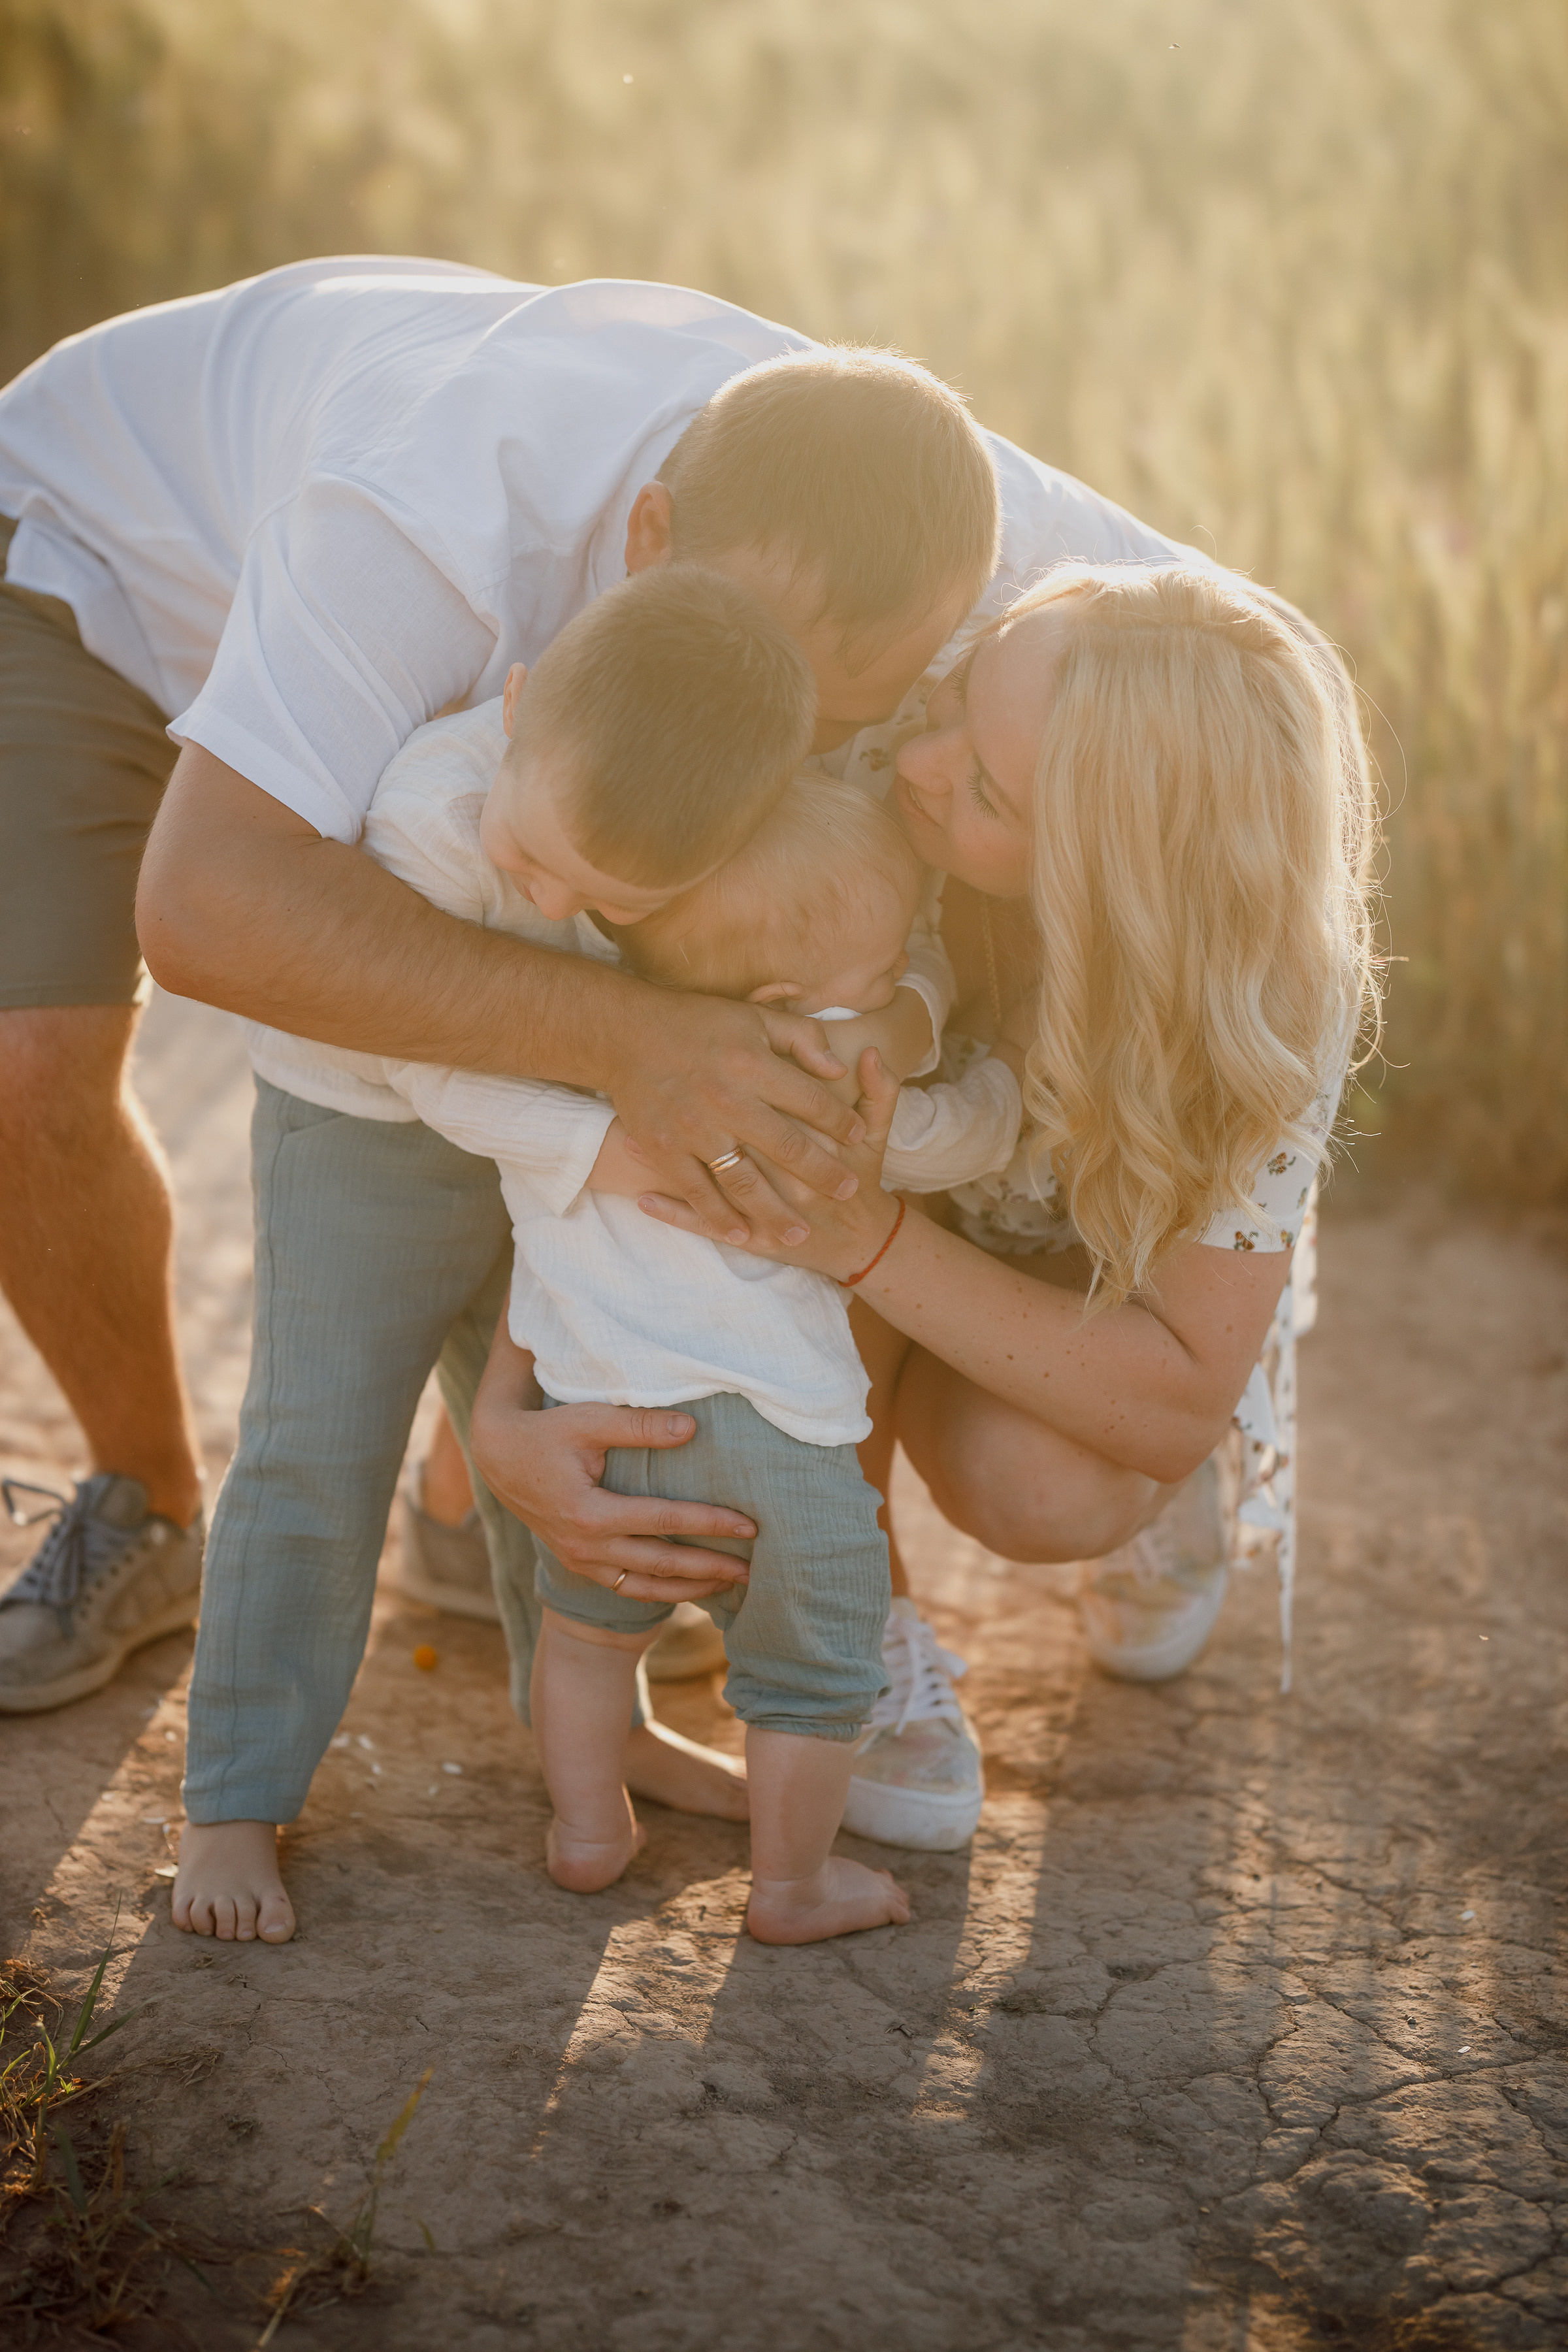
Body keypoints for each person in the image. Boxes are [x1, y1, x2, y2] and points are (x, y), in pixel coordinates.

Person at [472, 563, 1379, 1837]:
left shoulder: (1268, 991)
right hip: (916, 1206)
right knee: (769, 1203)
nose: (924, 762)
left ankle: (1239, 1318)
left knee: (1046, 1487)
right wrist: (502, 1411)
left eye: (990, 789)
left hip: (1090, 1235)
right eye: (958, 700)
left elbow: (1168, 1406)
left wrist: (868, 1236)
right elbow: (575, 1114)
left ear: (1107, 874)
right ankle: (863, 1623)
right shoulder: (869, 777)